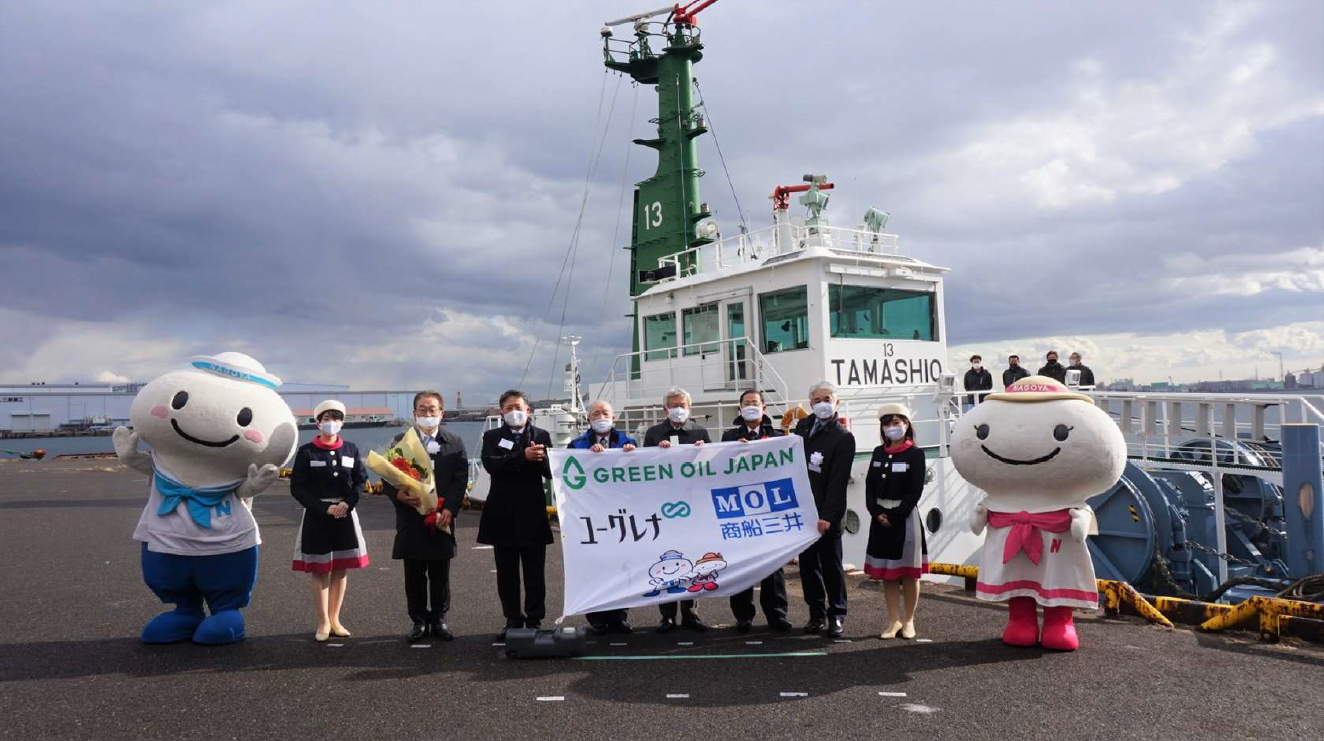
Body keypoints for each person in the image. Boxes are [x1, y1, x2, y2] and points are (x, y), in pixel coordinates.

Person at [381, 391, 468, 643]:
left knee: (441, 572)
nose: (427, 414)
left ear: (442, 413)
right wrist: (398, 496)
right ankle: (418, 621)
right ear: (414, 413)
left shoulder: (454, 441)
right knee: (414, 573)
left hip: (442, 518)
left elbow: (460, 479)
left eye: (432, 410)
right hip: (412, 517)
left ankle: (439, 619)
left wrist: (450, 508)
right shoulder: (401, 440)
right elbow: (388, 477)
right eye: (422, 409)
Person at [289, 400, 369, 642]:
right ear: (317, 422)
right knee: (319, 570)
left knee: (341, 569)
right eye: (326, 419)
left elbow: (359, 481)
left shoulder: (351, 449)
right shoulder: (306, 452)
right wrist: (323, 508)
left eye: (335, 419)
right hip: (318, 516)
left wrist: (348, 503)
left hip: (345, 514)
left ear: (342, 423)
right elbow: (298, 488)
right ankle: (322, 621)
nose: (331, 423)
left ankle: (335, 618)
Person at [478, 389, 554, 641]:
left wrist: (541, 459)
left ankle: (535, 618)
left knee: (535, 573)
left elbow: (552, 472)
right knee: (507, 573)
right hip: (502, 514)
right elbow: (492, 465)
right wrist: (522, 456)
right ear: (502, 412)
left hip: (532, 514)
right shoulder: (492, 436)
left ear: (528, 410)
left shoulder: (541, 436)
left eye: (518, 407)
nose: (514, 411)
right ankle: (512, 618)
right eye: (509, 408)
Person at [721, 389, 793, 633]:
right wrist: (733, 450)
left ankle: (777, 615)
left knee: (774, 566)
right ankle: (743, 616)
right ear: (740, 408)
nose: (751, 406)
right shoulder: (729, 436)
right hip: (739, 509)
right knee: (742, 564)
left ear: (764, 407)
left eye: (755, 403)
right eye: (746, 403)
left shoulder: (778, 435)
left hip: (771, 508)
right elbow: (718, 466)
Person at [642, 387, 711, 633]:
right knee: (667, 560)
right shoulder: (653, 434)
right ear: (665, 409)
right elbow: (642, 469)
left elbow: (711, 468)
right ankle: (667, 614)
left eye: (682, 404)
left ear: (689, 408)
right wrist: (655, 455)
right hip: (664, 507)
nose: (678, 409)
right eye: (673, 405)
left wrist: (704, 452)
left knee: (691, 558)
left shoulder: (699, 432)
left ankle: (690, 611)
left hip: (692, 506)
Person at [567, 400, 637, 634]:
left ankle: (619, 616)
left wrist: (629, 456)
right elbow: (567, 473)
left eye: (605, 412)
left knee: (621, 565)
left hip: (621, 513)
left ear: (614, 417)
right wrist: (587, 456)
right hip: (590, 515)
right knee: (594, 565)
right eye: (595, 413)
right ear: (588, 419)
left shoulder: (629, 442)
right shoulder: (576, 445)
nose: (600, 416)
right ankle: (596, 617)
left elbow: (640, 470)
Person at [793, 381, 856, 638]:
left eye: (827, 398)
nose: (822, 403)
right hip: (804, 512)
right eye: (817, 399)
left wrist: (827, 516)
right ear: (810, 403)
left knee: (832, 566)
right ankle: (816, 613)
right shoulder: (803, 427)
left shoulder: (843, 437)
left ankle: (837, 614)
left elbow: (838, 482)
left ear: (836, 402)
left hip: (827, 514)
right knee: (808, 566)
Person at [863, 404, 928, 640]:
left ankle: (909, 621)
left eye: (896, 423)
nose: (891, 428)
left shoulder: (915, 455)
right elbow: (870, 486)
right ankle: (893, 621)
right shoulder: (878, 452)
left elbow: (915, 490)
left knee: (909, 574)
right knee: (887, 574)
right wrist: (875, 511)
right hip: (880, 516)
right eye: (887, 424)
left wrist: (896, 515)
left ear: (907, 425)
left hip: (905, 517)